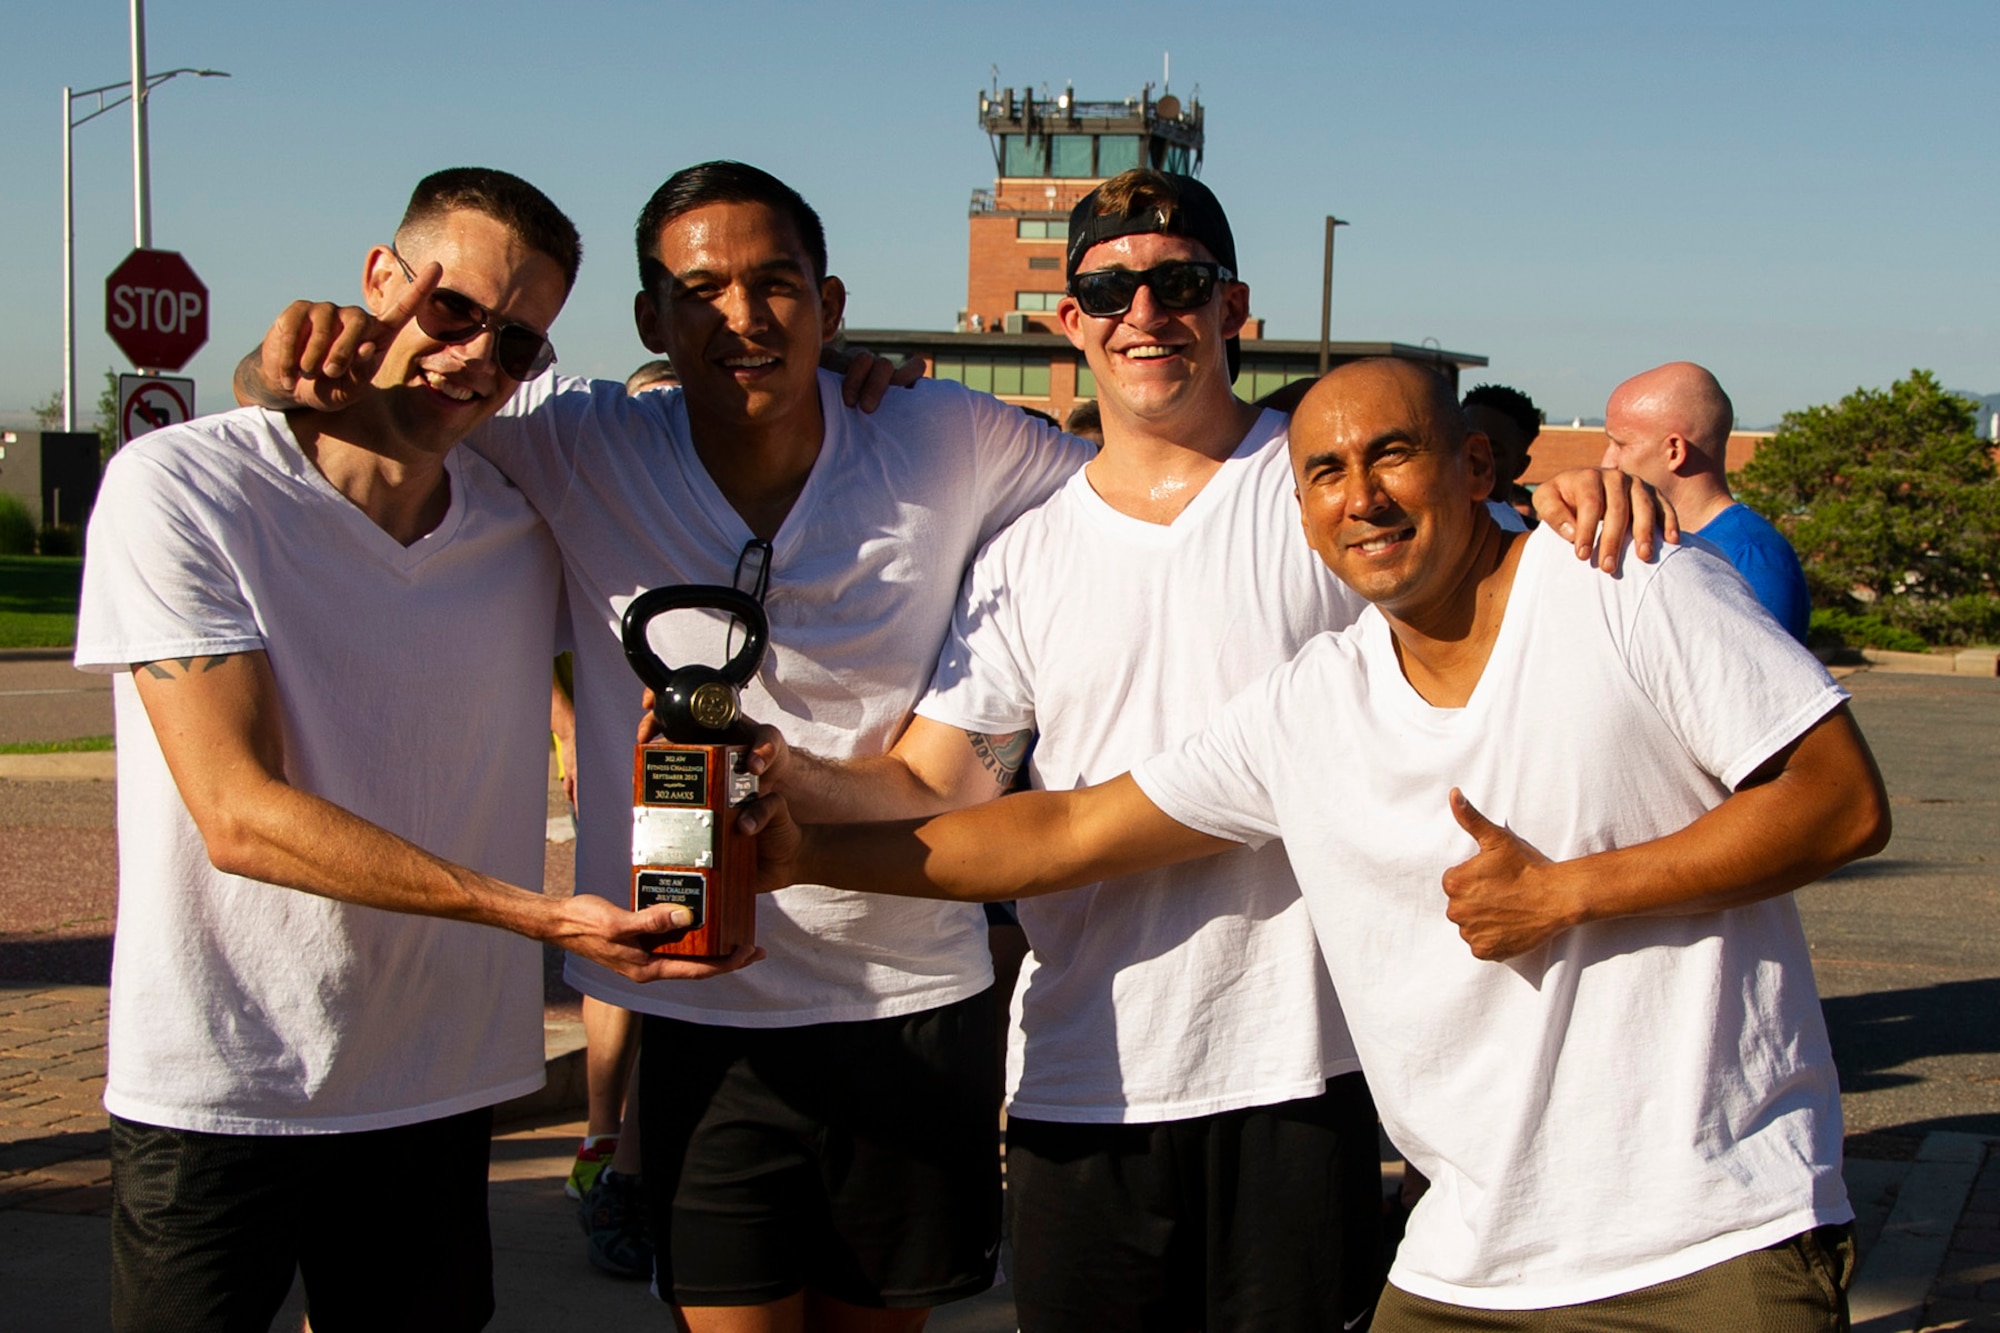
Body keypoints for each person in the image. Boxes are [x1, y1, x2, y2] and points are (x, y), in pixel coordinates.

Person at [749, 357, 1891, 1331]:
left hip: (1705, 1240)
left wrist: (1568, 891)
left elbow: (1836, 800)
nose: (1363, 498)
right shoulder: (1312, 706)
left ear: (1474, 469)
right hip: (1460, 1257)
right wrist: (800, 853)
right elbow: (1061, 828)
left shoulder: (1619, 582)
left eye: (1392, 455)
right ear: (1297, 513)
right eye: (1325, 474)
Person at [745, 170, 1670, 1333]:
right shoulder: (1024, 550)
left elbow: (1500, 602)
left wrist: (1584, 501)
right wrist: (784, 774)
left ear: (1233, 310)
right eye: (1109, 289)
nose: (1145, 312)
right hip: (1087, 1069)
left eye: (1176, 283)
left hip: (1310, 1065)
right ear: (1068, 323)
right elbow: (944, 781)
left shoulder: (1333, 485)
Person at [239, 159, 1092, 1333]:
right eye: (699, 292)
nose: (740, 318)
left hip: (913, 993)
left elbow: (1129, 501)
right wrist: (266, 364)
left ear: (829, 306)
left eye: (774, 286)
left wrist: (996, 720)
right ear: (651, 318)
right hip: (699, 1003)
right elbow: (368, 409)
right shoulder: (579, 437)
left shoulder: (943, 436)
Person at [79, 168, 749, 1333]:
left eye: (522, 342)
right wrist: (540, 917)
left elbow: (718, 401)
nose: (482, 358)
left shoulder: (517, 515)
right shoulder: (183, 489)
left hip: (437, 1081)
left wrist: (863, 377)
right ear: (378, 280)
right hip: (226, 1081)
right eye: (455, 311)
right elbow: (237, 812)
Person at [1602, 361, 1812, 641]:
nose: (1607, 462)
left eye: (1620, 445)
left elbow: (1753, 680)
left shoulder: (1753, 559)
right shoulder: (1642, 536)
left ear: (1674, 451)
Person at [1461, 382, 1540, 524]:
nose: (1468, 460)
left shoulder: (1537, 541)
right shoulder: (1418, 532)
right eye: (1460, 445)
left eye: (1489, 452)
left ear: (1520, 467)